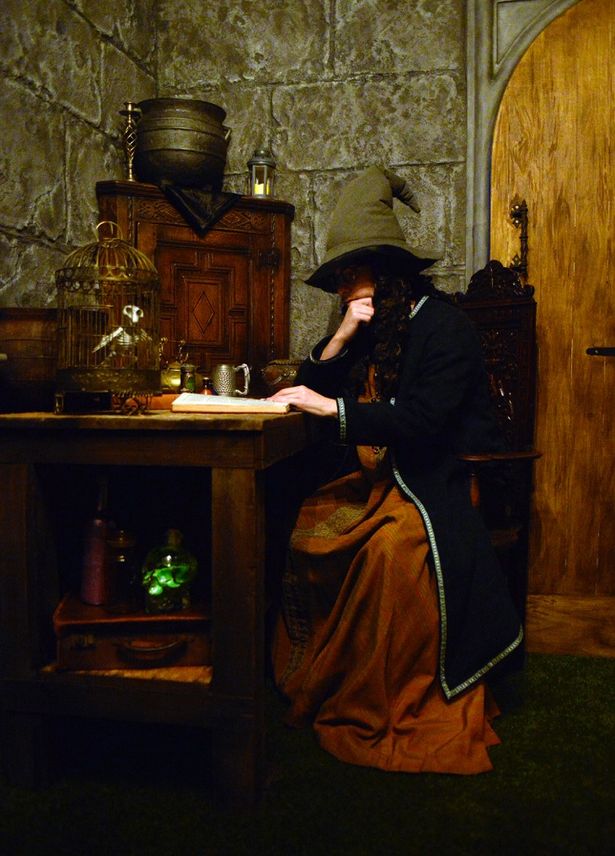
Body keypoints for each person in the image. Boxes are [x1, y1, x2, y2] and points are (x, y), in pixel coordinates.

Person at [268, 166, 523, 774]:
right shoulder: (372, 327)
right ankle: (327, 679)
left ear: (385, 273)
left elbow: (422, 421)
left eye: (349, 275)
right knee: (305, 526)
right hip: (385, 480)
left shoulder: (445, 327)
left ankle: (387, 697)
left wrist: (332, 409)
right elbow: (314, 389)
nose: (341, 289)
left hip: (438, 486)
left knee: (387, 556)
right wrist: (339, 337)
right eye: (337, 280)